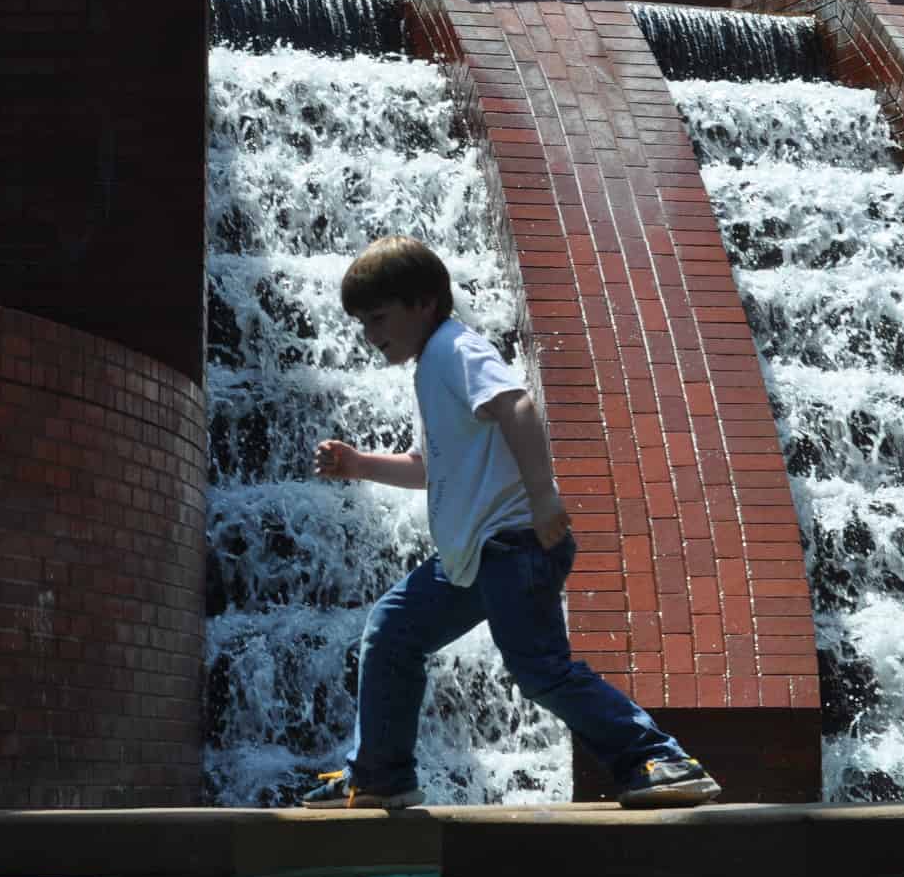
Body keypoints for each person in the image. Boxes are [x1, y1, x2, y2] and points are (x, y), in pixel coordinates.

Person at [301, 235, 722, 810]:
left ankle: (656, 758)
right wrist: (358, 464)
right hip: (476, 554)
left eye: (378, 317)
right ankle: (380, 776)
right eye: (362, 323)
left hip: (515, 544)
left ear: (424, 303)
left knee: (539, 669)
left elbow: (517, 403)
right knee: (393, 630)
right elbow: (430, 468)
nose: (371, 334)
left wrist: (543, 496)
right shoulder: (432, 365)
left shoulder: (454, 348)